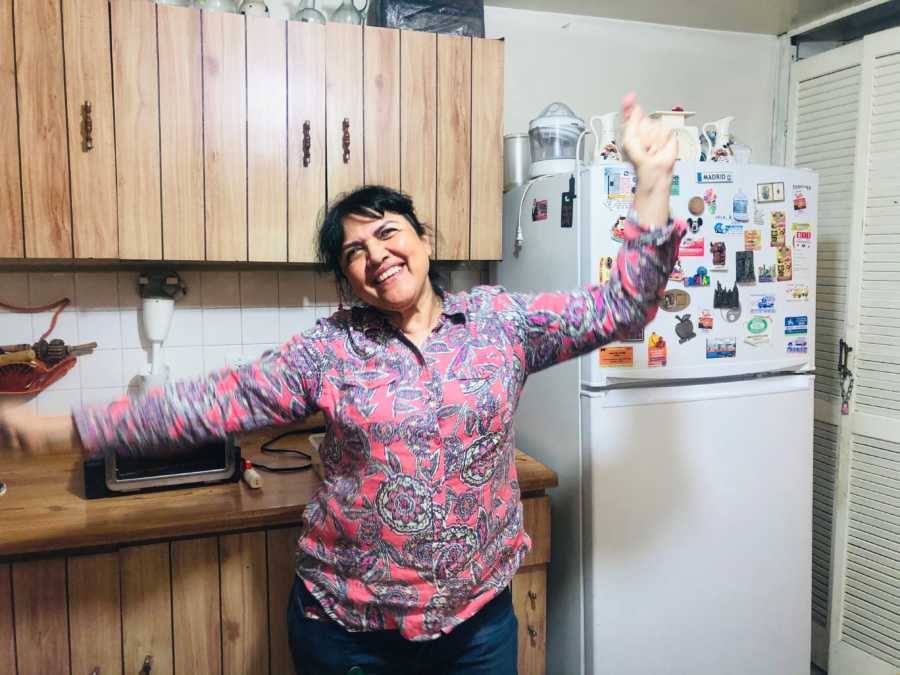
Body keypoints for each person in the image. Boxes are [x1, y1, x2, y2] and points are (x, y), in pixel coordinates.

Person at [0, 94, 682, 675]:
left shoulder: (502, 321)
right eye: (354, 252)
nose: (376, 254)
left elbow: (621, 308)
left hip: (478, 627)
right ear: (348, 278)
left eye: (388, 232)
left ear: (423, 237)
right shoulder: (329, 349)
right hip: (350, 629)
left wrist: (649, 182)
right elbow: (205, 405)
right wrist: (65, 428)